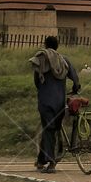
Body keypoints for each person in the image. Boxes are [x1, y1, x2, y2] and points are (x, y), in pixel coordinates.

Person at [29, 35, 80, 173]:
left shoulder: (41, 59)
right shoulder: (63, 60)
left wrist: (43, 90)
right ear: (57, 46)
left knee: (49, 129)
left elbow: (36, 81)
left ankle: (51, 163)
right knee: (52, 130)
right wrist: (75, 88)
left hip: (46, 101)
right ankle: (41, 160)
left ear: (45, 45)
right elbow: (75, 79)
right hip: (60, 102)